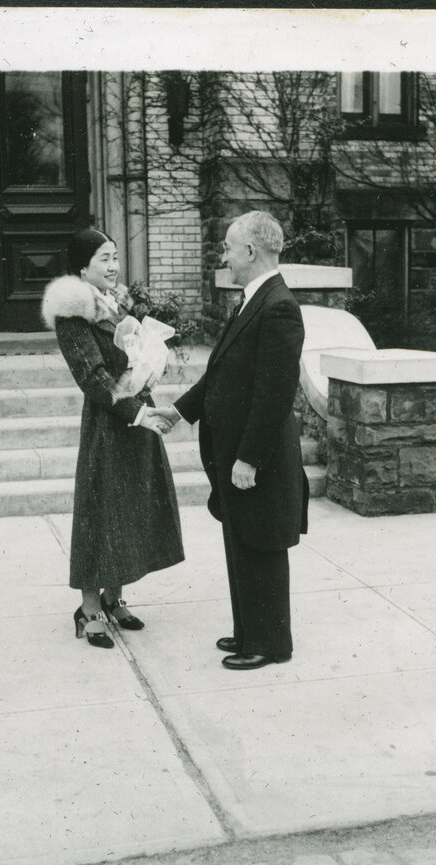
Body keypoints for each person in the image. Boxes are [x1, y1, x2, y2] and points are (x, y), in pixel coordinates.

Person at [158, 211, 309, 670]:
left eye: (227, 247)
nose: (223, 256)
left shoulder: (279, 305)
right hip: (237, 452)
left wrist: (249, 459)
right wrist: (180, 410)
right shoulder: (253, 300)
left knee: (260, 544)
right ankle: (250, 632)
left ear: (250, 251)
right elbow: (222, 374)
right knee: (243, 540)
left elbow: (274, 395)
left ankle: (269, 644)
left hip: (254, 456)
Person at [41, 228, 184, 649]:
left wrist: (148, 365)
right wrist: (138, 411)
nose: (113, 266)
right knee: (101, 512)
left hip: (133, 416)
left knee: (130, 509)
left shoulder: (114, 304)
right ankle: (88, 611)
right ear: (82, 267)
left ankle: (114, 597)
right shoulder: (72, 313)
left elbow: (129, 357)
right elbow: (92, 377)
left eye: (116, 257)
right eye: (104, 259)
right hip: (110, 423)